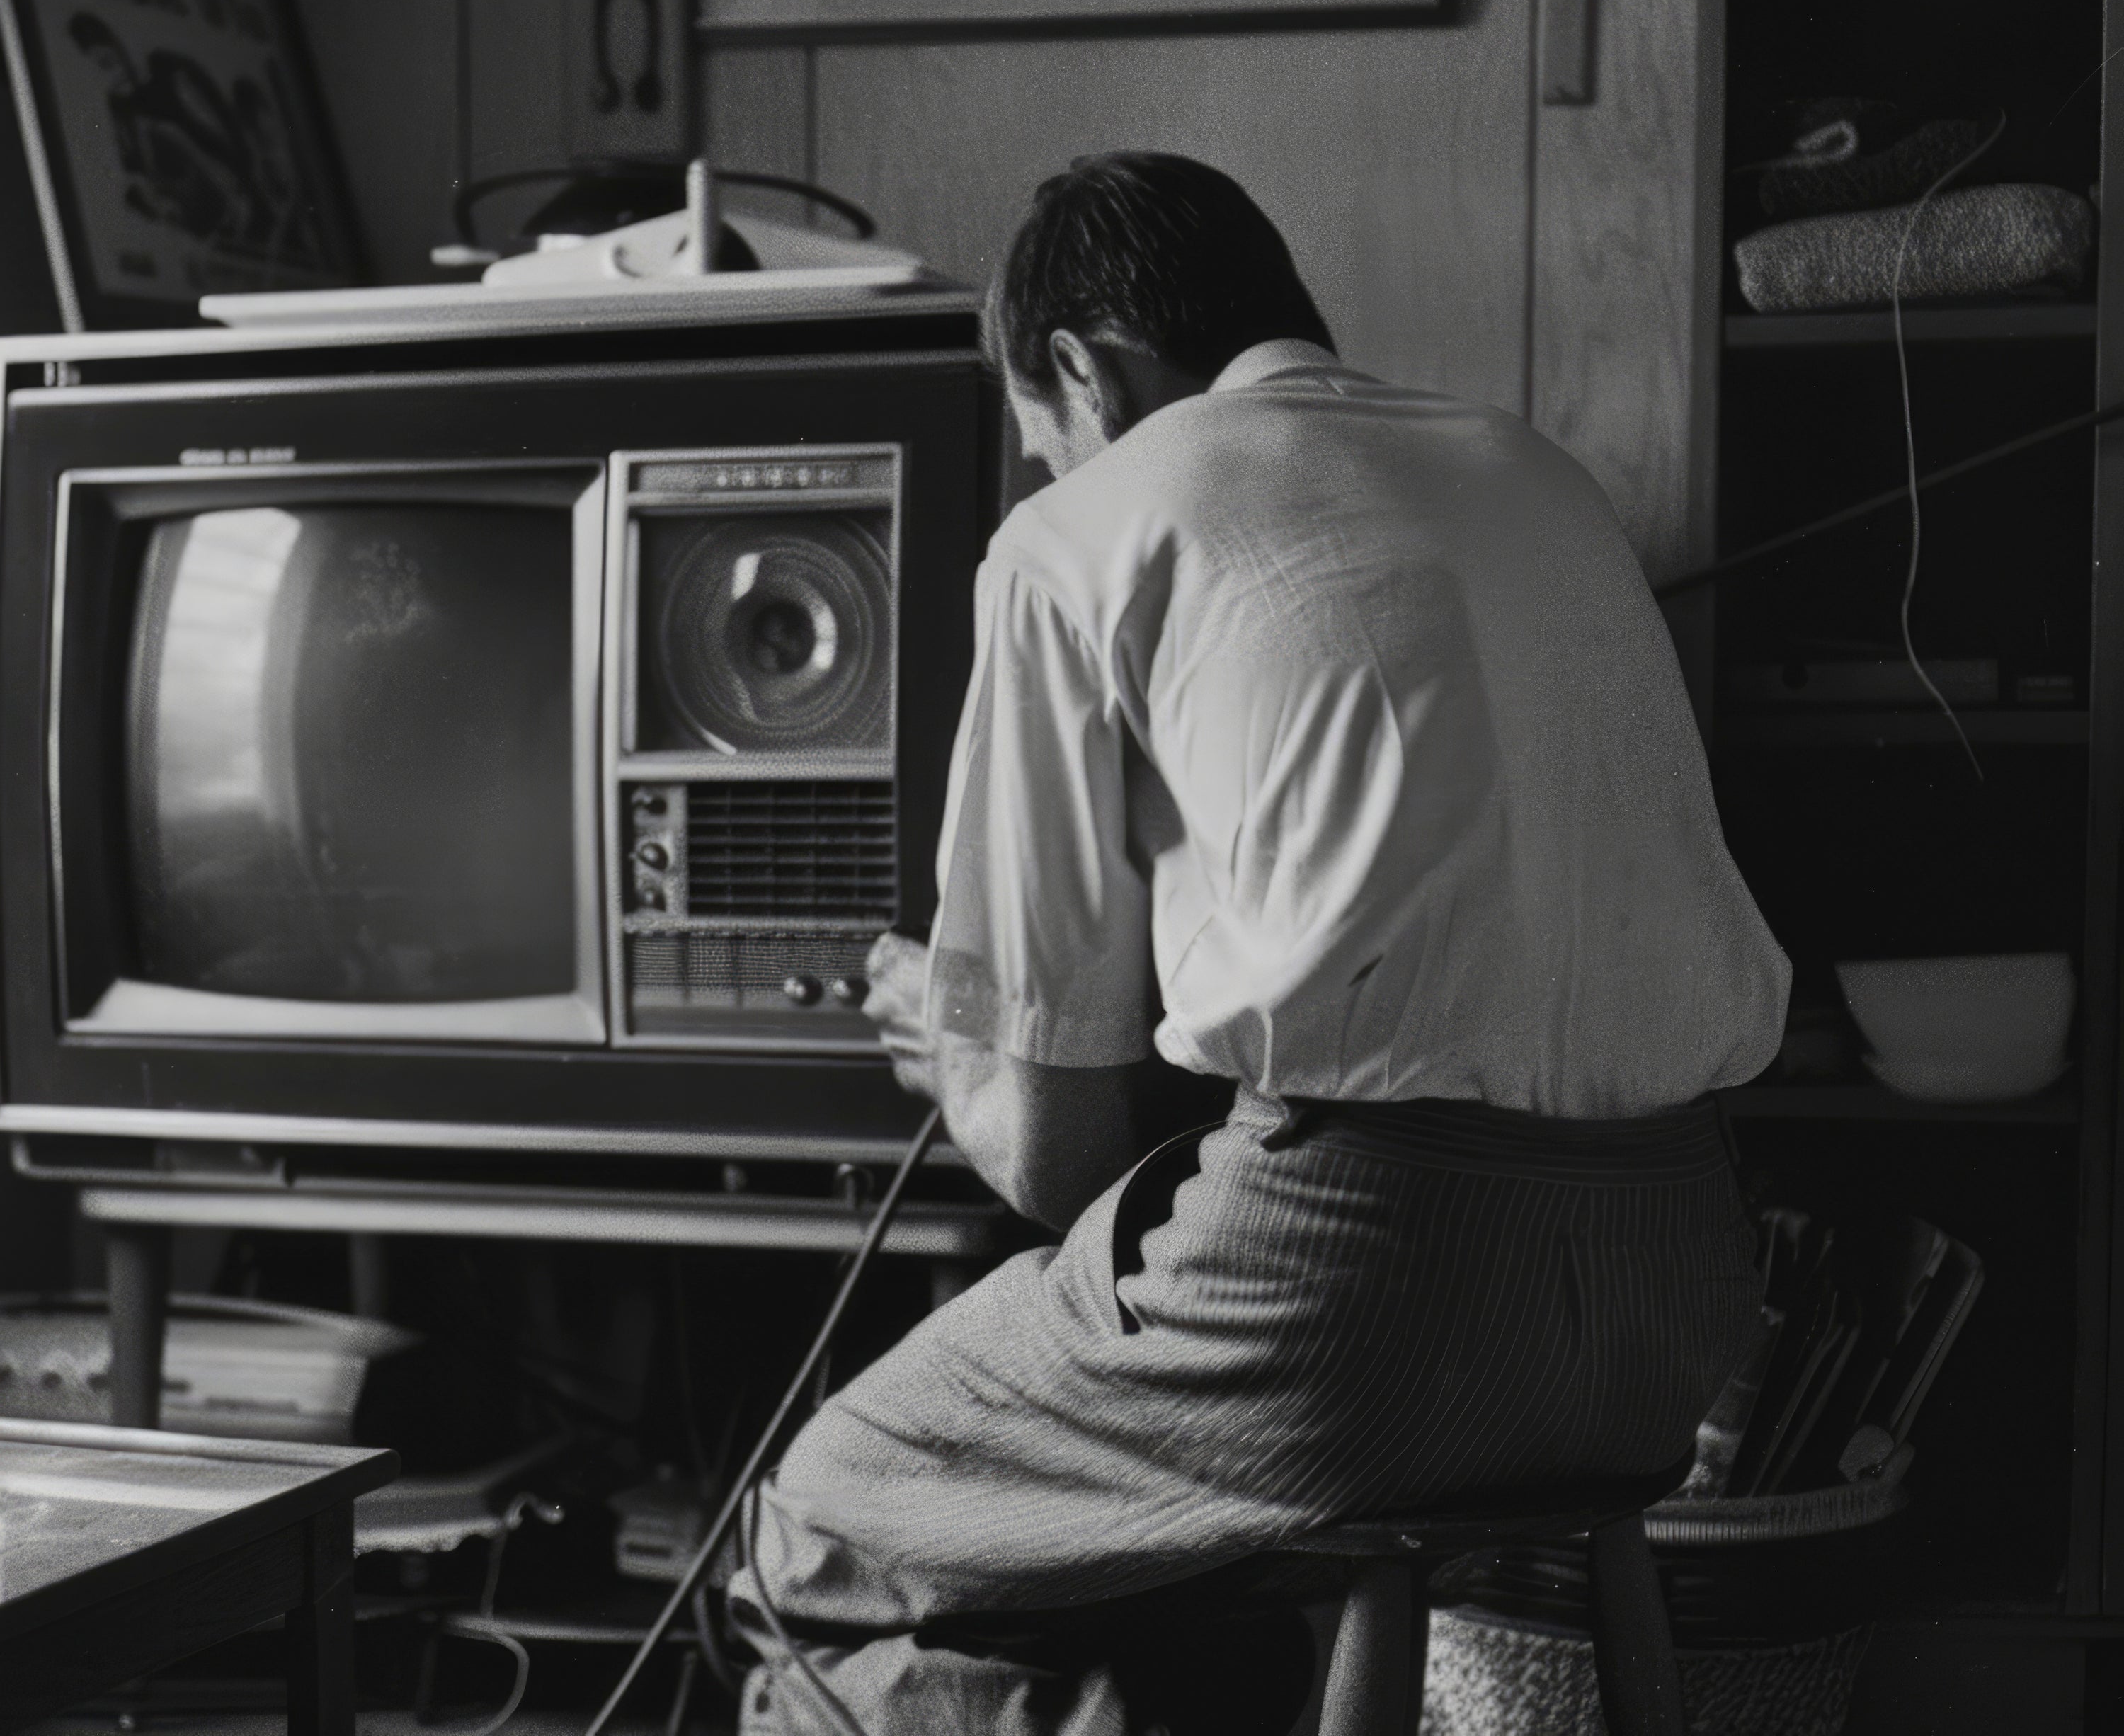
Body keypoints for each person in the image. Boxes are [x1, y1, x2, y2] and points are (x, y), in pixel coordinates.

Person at [727, 152, 1789, 1736]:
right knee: (1138, 1568)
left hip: (1363, 1309)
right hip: (1674, 1306)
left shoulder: (1080, 533)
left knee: (815, 1530)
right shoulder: (1534, 469)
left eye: (1041, 435)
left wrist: (952, 1052)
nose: (1045, 472)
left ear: (1085, 368)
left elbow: (1056, 1165)